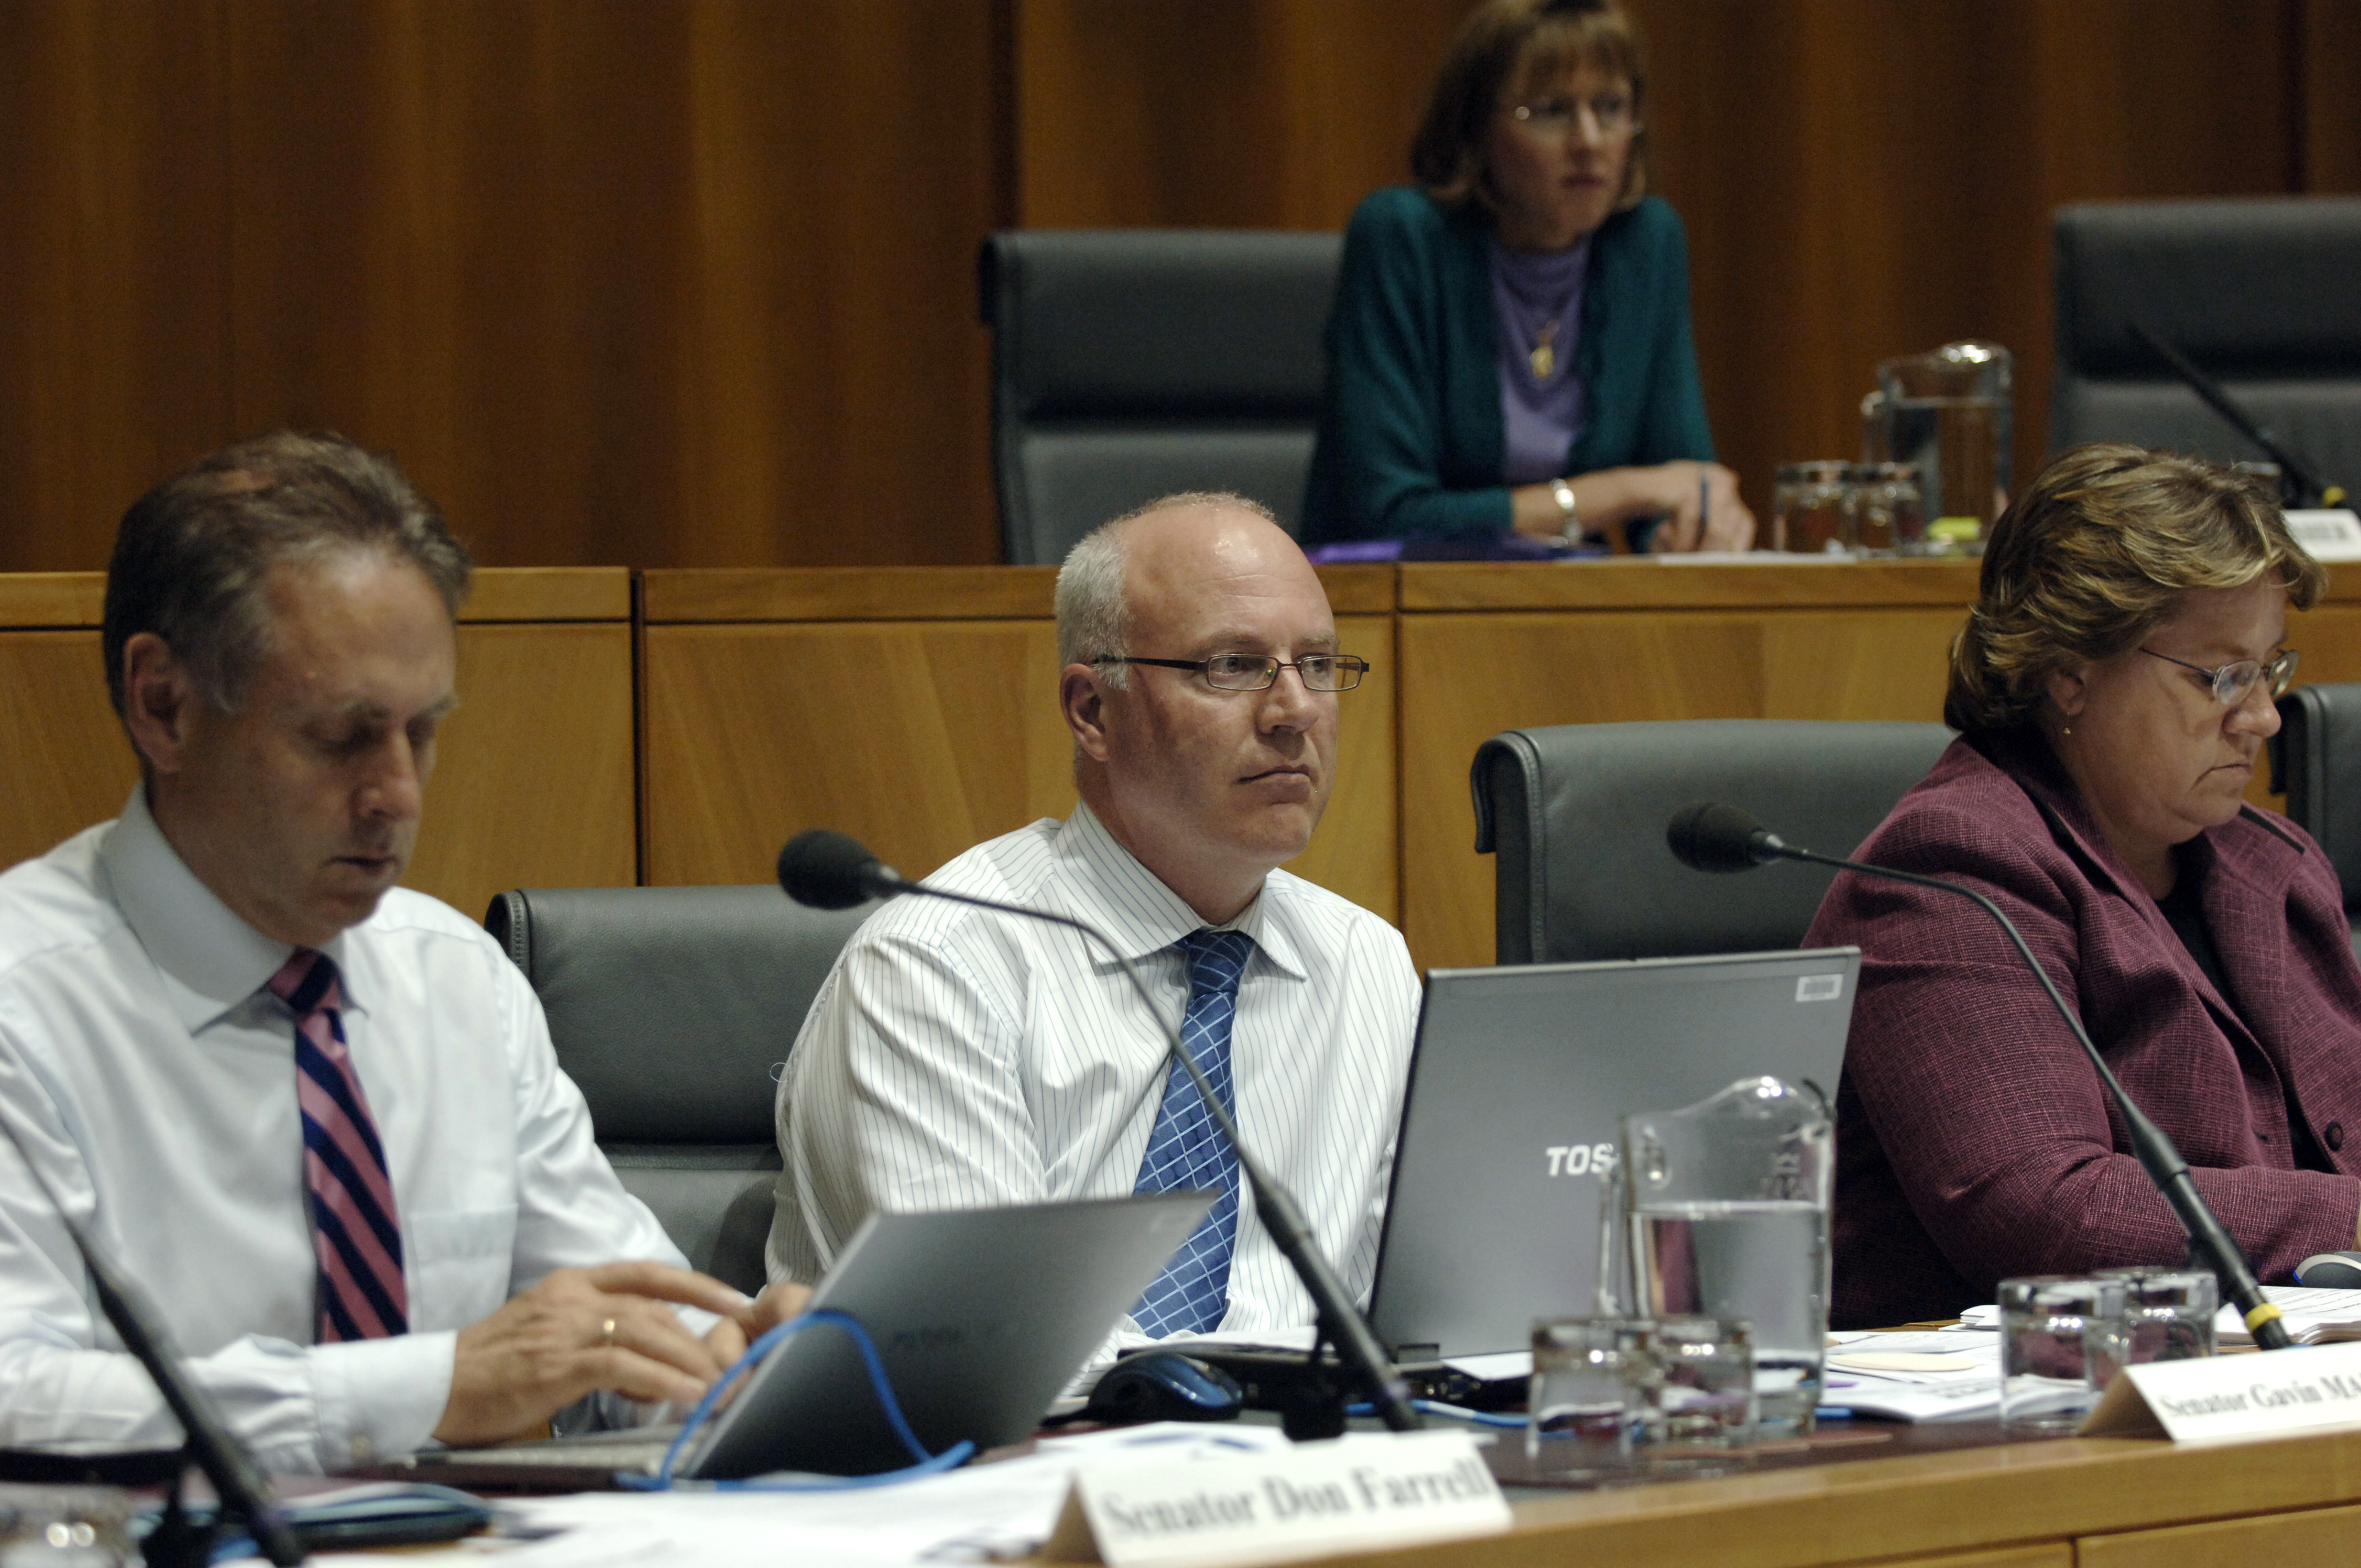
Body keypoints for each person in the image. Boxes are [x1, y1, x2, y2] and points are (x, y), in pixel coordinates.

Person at [0, 432, 804, 1473]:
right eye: (341, 735)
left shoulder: (453, 976)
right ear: (165, 705)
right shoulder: (26, 1003)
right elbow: (18, 1392)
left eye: (421, 732)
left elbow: (608, 1326)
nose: (400, 795)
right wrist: (428, 1384)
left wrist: (740, 1358)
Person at [771, 494, 1419, 1343]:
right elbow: (992, 1347)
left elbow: (1422, 1306)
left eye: (1320, 665)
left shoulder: (1363, 963)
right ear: (1092, 711)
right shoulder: (939, 970)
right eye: (1232, 665)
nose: (1294, 711)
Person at [1808, 444, 2361, 1329]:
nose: (2261, 717)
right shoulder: (1951, 868)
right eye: (2222, 677)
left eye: (2270, 670)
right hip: (2015, 1414)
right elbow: (2044, 1211)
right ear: (2070, 672)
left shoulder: (2273, 866)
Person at [1299, 0, 1753, 556]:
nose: (1588, 140)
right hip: (1388, 610)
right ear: (1474, 130)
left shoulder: (1645, 244)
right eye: (1550, 111)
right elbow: (1390, 513)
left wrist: (1692, 525)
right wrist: (1623, 490)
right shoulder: (1402, 238)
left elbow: (1679, 479)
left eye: (1610, 107)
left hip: (1552, 601)